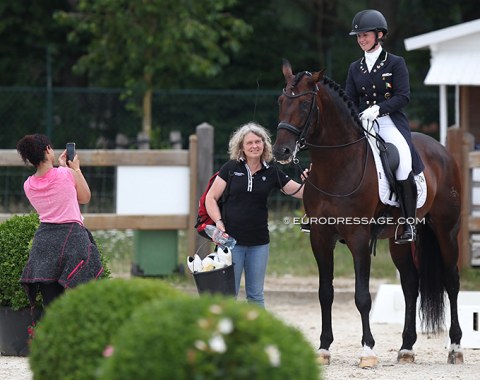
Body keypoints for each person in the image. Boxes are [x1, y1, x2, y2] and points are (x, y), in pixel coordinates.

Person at [205, 122, 307, 308]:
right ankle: (226, 334)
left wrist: (311, 181)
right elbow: (211, 198)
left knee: (255, 295)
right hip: (230, 241)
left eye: (258, 141)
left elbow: (300, 192)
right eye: (249, 143)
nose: (254, 146)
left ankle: (256, 335)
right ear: (241, 147)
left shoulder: (272, 171)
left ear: (264, 144)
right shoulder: (230, 168)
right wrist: (218, 222)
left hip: (259, 243)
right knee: (228, 295)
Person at [345, 9, 424, 244]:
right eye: (358, 37)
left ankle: (409, 223)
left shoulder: (395, 63)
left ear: (379, 35)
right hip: (363, 122)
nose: (361, 40)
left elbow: (403, 96)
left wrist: (379, 109)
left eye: (365, 35)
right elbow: (349, 98)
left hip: (389, 121)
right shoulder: (354, 68)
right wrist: (355, 115)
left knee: (403, 163)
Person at [16, 134, 104, 309]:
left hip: (44, 244)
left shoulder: (28, 185)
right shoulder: (67, 174)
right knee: (83, 296)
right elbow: (85, 197)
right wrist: (75, 169)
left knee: (52, 304)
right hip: (72, 239)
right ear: (48, 150)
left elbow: (51, 183)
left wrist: (65, 169)